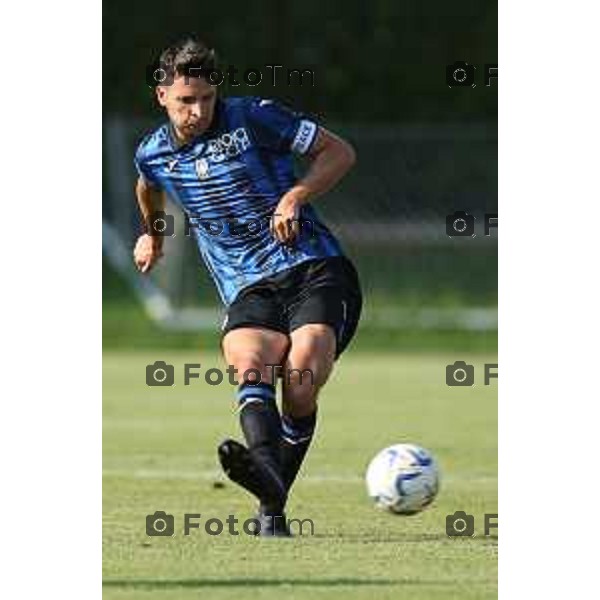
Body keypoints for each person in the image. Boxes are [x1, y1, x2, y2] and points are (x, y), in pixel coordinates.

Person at [133, 38, 362, 536]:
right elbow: (147, 185)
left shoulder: (253, 117)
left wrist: (295, 196)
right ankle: (272, 503)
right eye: (185, 101)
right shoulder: (153, 152)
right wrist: (153, 237)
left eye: (206, 99)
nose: (198, 111)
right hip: (247, 287)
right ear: (162, 98)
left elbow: (338, 152)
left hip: (313, 267)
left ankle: (268, 491)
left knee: (302, 374)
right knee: (249, 362)